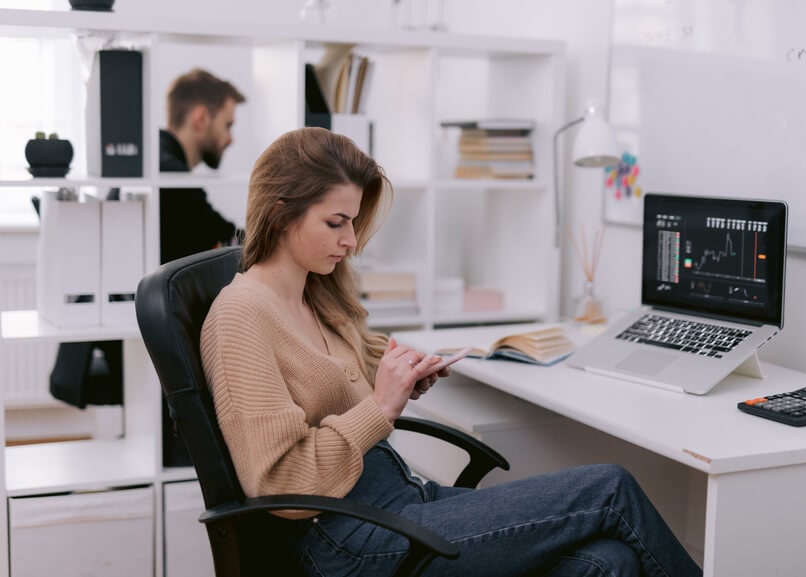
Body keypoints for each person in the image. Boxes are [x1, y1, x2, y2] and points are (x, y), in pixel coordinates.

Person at [200, 127, 702, 577]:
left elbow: (341, 372)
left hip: (398, 500)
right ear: (281, 212)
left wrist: (403, 372)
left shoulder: (312, 293)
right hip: (346, 538)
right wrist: (380, 408)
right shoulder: (242, 315)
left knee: (608, 563)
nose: (351, 241)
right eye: (336, 223)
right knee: (609, 488)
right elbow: (281, 483)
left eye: (352, 222)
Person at [159, 68, 247, 264]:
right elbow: (222, 238)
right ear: (202, 118)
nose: (231, 139)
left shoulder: (153, 159)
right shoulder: (171, 178)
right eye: (227, 125)